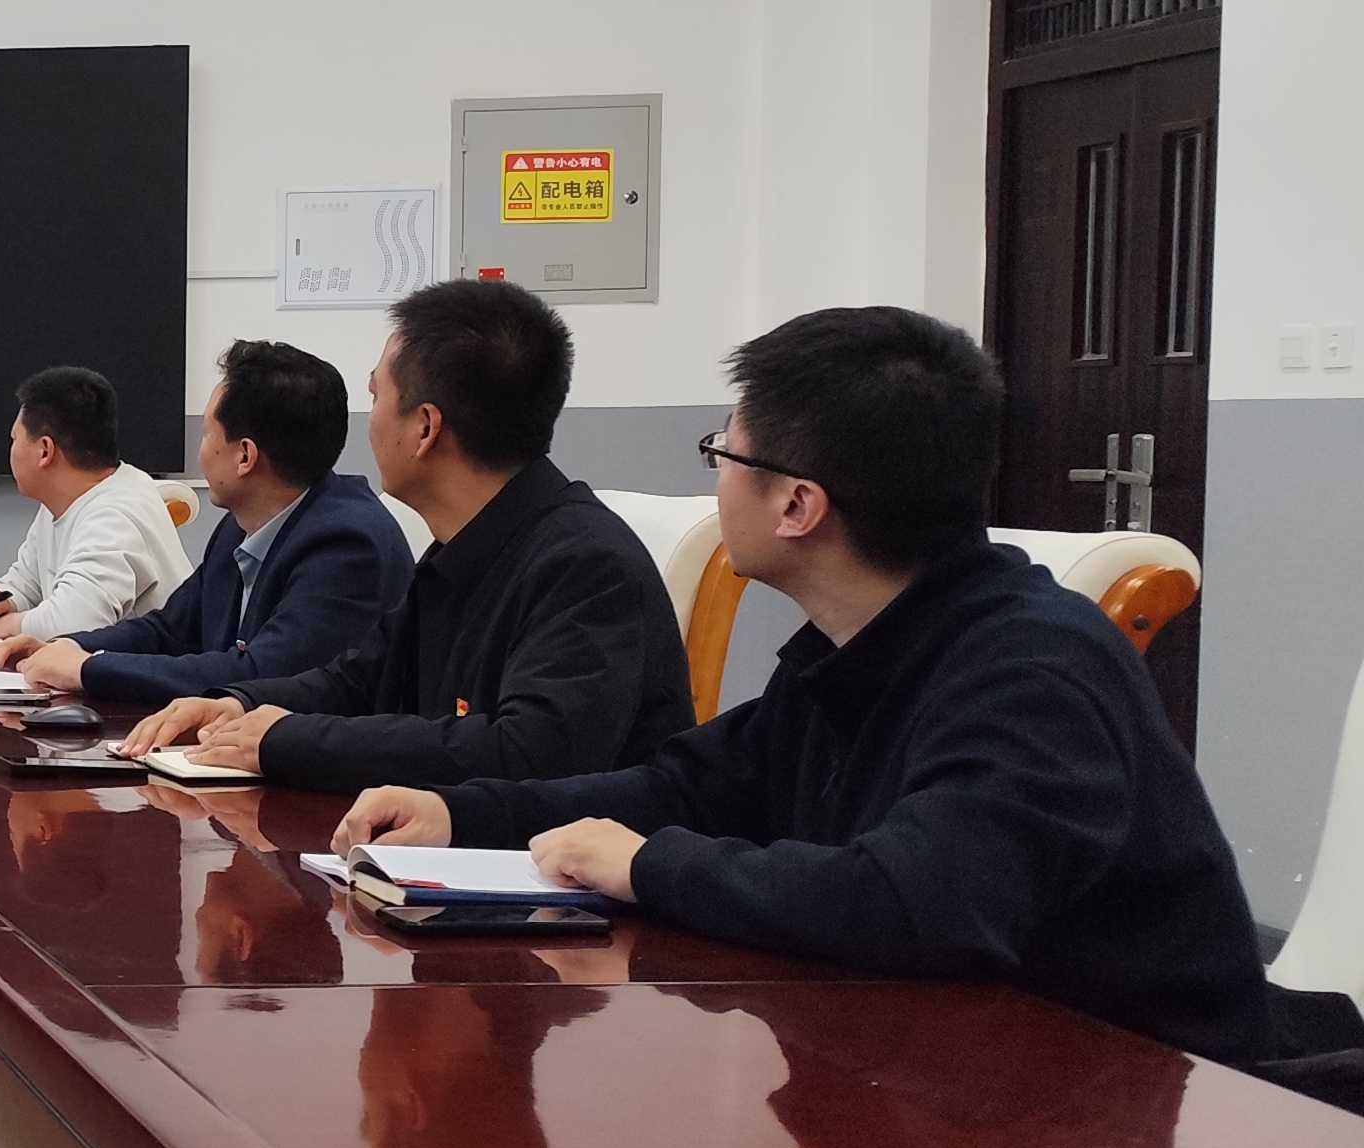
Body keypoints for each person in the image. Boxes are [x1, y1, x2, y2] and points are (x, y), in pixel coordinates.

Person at [333, 306, 1285, 1066]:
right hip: (942, 1063)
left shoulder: (1034, 670)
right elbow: (686, 786)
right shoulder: (865, 640)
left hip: (1118, 1090)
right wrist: (461, 814)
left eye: (725, 453)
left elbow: (917, 902)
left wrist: (649, 865)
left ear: (797, 504)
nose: (716, 481)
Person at [120, 281, 689, 790]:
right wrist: (238, 705)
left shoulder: (585, 564)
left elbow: (525, 752)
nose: (367, 423)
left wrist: (285, 740)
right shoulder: (463, 546)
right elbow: (361, 680)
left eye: (375, 397)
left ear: (424, 428)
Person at [6, 342, 406, 709]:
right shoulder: (239, 526)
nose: (200, 451)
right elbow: (170, 631)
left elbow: (261, 674)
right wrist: (67, 646)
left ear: (244, 456)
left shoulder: (346, 544)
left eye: (205, 434)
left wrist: (88, 670)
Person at [0, 366, 190, 640]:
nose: (12, 449)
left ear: (45, 451)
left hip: (152, 666)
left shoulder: (115, 516)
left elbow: (78, 622)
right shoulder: (63, 501)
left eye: (15, 438)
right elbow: (26, 584)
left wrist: (7, 627)